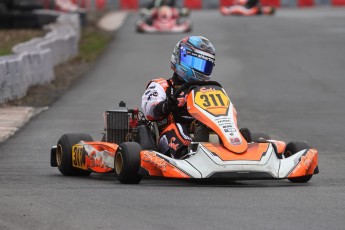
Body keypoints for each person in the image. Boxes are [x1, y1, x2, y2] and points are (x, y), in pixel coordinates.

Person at [141, 36, 216, 159]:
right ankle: (187, 153)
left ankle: (237, 146)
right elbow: (149, 112)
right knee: (177, 128)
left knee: (219, 129)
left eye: (205, 66)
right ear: (181, 58)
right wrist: (166, 105)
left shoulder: (209, 90)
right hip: (168, 134)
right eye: (197, 63)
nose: (201, 69)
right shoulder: (162, 86)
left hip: (201, 128)